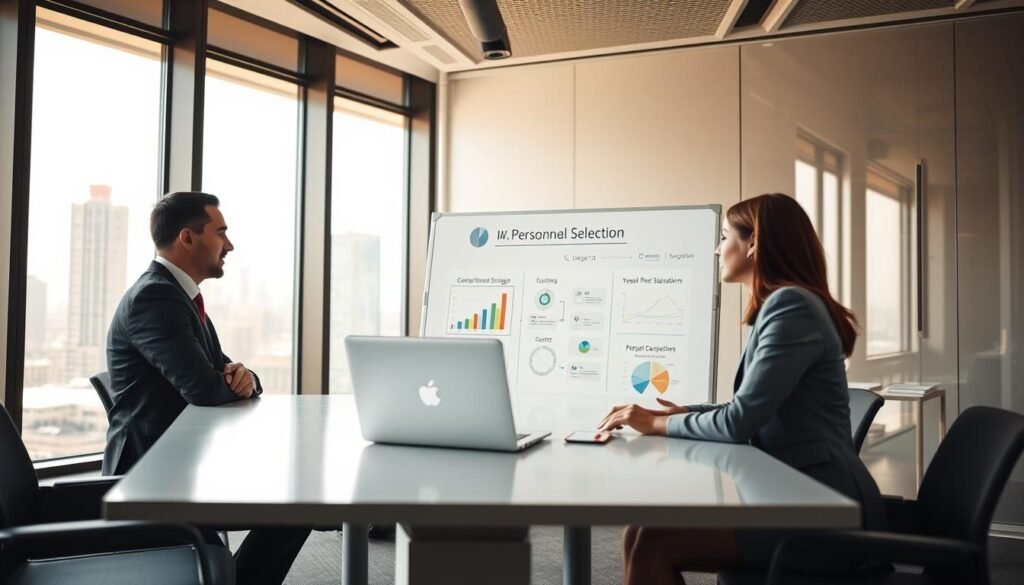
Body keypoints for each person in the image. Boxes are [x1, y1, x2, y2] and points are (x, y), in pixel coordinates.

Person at [598, 193, 885, 585]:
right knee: (639, 531)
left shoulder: (791, 306)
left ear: (753, 243)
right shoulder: (784, 304)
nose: (717, 249)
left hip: (823, 507)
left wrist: (656, 425)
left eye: (724, 236)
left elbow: (738, 422)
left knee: (654, 542)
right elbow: (748, 406)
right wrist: (679, 414)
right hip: (795, 491)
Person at [104, 191, 310, 585]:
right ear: (187, 238)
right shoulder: (156, 296)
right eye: (221, 232)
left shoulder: (181, 296)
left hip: (182, 462)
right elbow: (204, 387)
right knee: (296, 503)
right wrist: (234, 382)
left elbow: (226, 373)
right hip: (155, 479)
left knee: (295, 496)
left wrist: (245, 377)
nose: (229, 245)